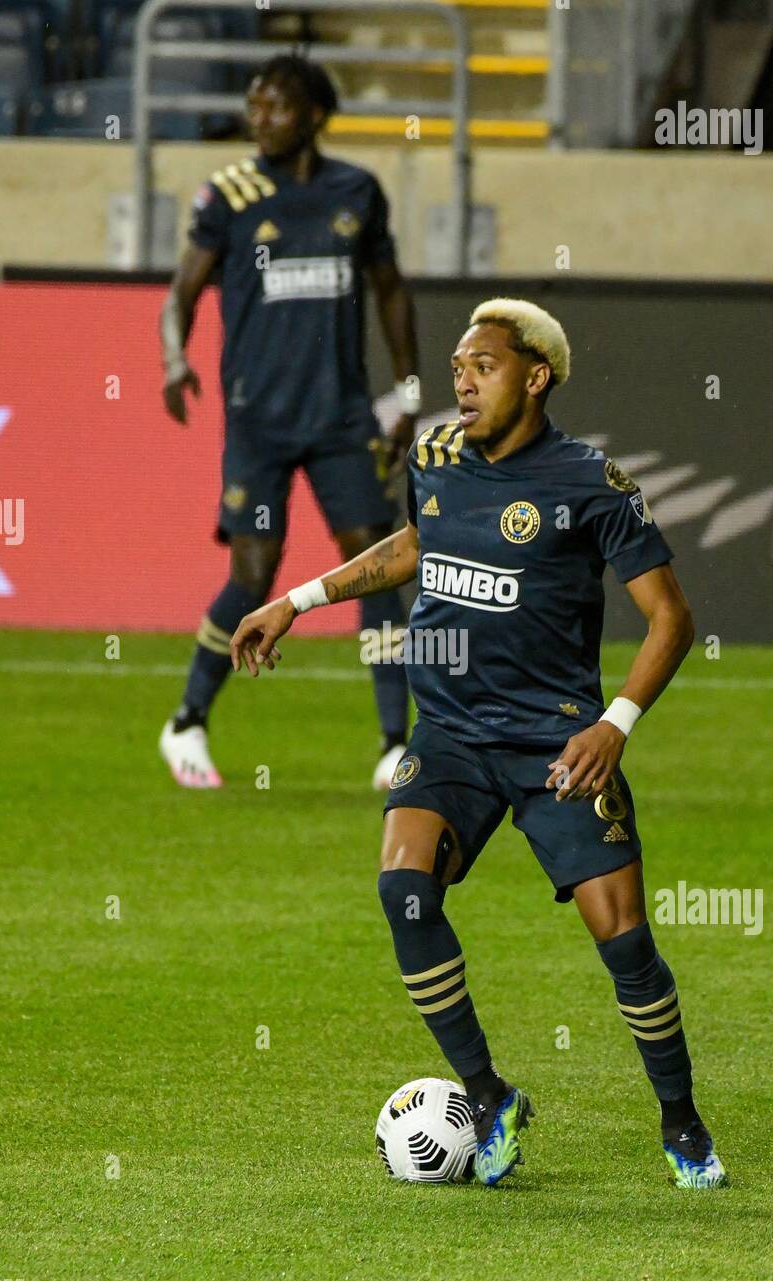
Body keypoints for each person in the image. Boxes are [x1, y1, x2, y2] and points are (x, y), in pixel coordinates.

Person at [229, 297, 728, 1190]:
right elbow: (417, 543)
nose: (461, 379)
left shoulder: (589, 481)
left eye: (482, 365)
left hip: (556, 748)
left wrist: (614, 725)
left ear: (535, 378)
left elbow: (672, 620)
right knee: (404, 891)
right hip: (452, 738)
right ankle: (490, 1095)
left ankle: (681, 1121)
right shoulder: (434, 459)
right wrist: (296, 600)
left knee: (624, 943)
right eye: (457, 365)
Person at [158, 54, 417, 791]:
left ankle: (395, 745)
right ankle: (186, 723)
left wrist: (406, 392)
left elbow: (392, 292)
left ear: (312, 114)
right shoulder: (231, 194)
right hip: (258, 421)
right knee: (253, 574)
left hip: (341, 417)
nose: (257, 117)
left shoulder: (356, 192)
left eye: (273, 105)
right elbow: (179, 294)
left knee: (374, 566)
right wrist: (174, 361)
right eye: (252, 104)